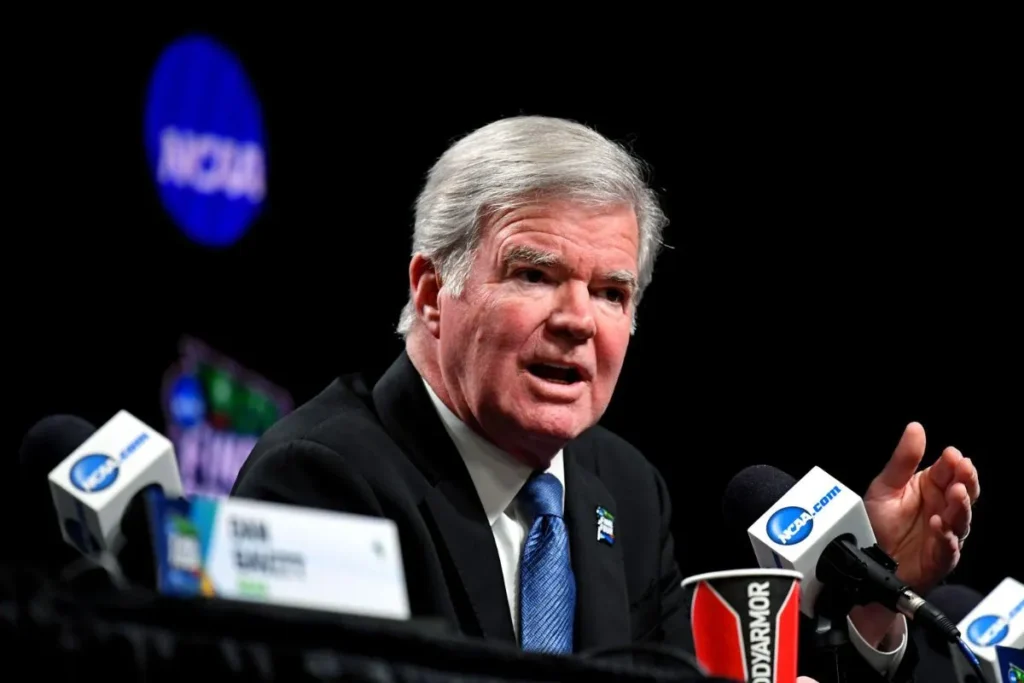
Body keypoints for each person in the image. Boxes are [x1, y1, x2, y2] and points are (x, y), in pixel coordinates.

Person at [231, 116, 980, 681]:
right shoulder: (321, 477)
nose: (578, 320)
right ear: (432, 293)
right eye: (534, 275)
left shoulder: (624, 487)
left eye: (611, 292)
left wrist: (869, 587)